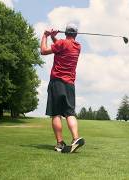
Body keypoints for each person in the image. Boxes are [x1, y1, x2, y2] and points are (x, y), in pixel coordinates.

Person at [40, 23, 85, 153]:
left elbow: (43, 51)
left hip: (57, 82)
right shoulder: (77, 46)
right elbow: (62, 47)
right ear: (75, 34)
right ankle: (75, 138)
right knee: (70, 113)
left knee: (56, 114)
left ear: (66, 33)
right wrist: (54, 37)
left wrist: (46, 35)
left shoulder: (62, 44)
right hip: (70, 84)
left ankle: (60, 143)